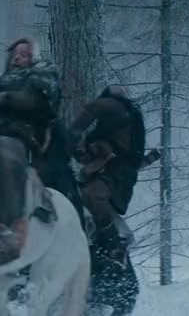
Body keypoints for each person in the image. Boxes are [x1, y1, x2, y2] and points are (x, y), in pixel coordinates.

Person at [0, 38, 65, 265]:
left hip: (21, 136)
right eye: (16, 54)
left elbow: (28, 102)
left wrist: (1, 99)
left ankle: (10, 232)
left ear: (35, 58)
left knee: (6, 154)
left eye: (25, 54)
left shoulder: (43, 78)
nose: (19, 58)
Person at [70, 85, 146, 263]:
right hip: (108, 174)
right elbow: (86, 155)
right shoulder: (111, 127)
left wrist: (72, 132)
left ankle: (115, 244)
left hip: (116, 175)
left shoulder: (121, 110)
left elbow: (98, 107)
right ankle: (107, 242)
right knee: (85, 201)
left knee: (94, 196)